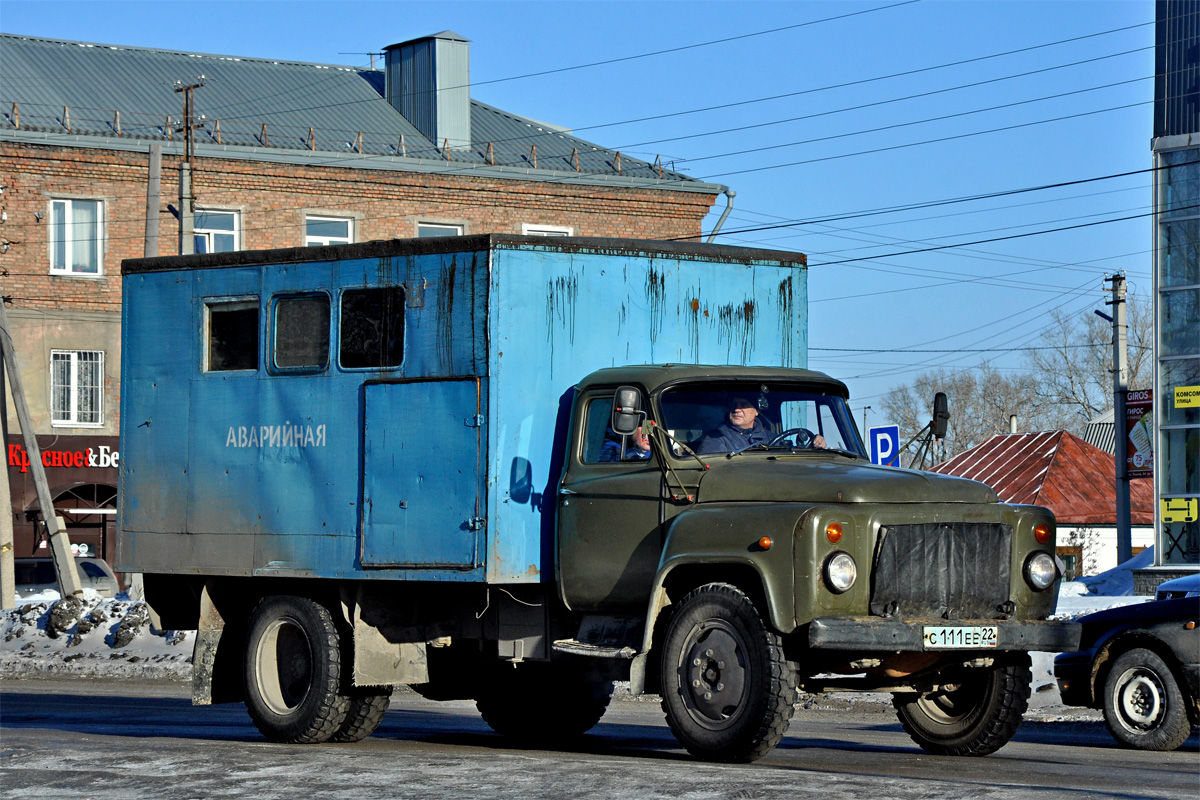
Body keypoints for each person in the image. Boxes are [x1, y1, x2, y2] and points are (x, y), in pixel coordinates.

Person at [696, 396, 827, 454]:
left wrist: (816, 445)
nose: (736, 409)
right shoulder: (716, 439)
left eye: (744, 405)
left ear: (756, 411)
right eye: (734, 405)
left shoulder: (773, 439)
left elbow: (792, 460)